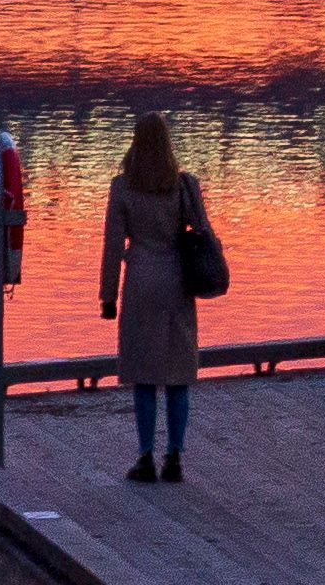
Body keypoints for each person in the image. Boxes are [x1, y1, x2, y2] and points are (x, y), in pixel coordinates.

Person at [96, 111, 208, 483]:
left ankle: (145, 456)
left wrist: (108, 295)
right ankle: (174, 456)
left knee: (143, 374)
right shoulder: (183, 185)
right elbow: (203, 230)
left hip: (141, 281)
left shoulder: (122, 187)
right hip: (177, 280)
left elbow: (113, 245)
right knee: (177, 373)